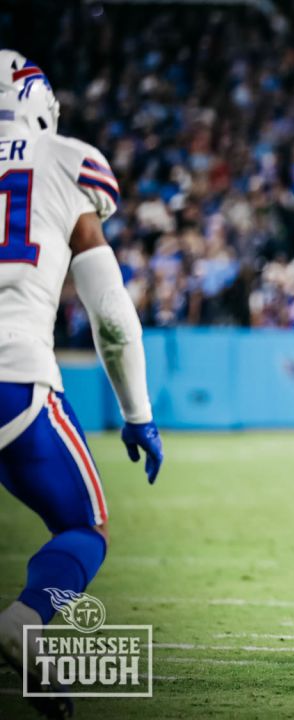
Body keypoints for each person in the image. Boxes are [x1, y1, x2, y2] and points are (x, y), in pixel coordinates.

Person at [0, 52, 164, 718]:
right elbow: (112, 316)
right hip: (15, 374)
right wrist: (137, 412)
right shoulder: (65, 159)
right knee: (83, 526)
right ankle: (27, 620)